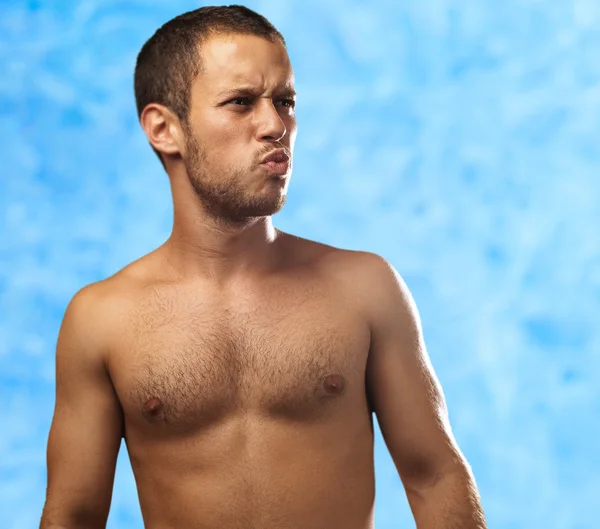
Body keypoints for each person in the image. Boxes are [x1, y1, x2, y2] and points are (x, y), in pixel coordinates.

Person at [39, 5, 487, 529]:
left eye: (285, 101)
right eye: (241, 103)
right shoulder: (101, 319)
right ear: (164, 129)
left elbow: (434, 476)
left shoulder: (364, 289)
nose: (276, 125)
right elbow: (75, 513)